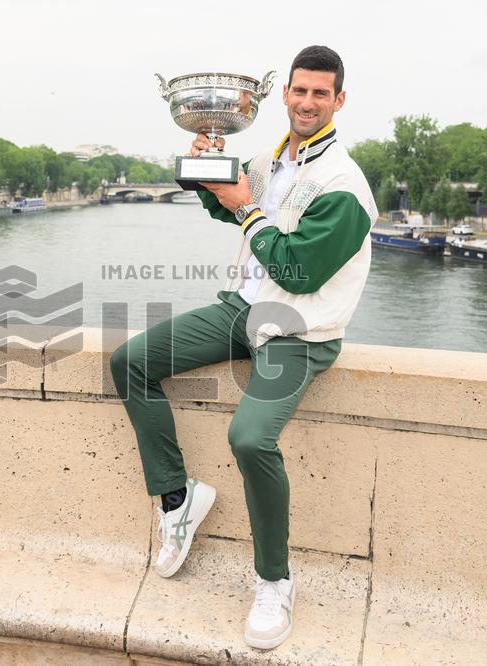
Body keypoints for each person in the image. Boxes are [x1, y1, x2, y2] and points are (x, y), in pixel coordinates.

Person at [109, 45, 376, 650]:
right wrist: (205, 166)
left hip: (299, 329)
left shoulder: (345, 185)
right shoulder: (267, 160)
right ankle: (177, 499)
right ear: (284, 95)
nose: (307, 102)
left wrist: (247, 206)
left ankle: (274, 581)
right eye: (299, 90)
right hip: (243, 309)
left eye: (320, 93)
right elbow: (225, 207)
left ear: (339, 100)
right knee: (130, 362)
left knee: (250, 438)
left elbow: (299, 272)